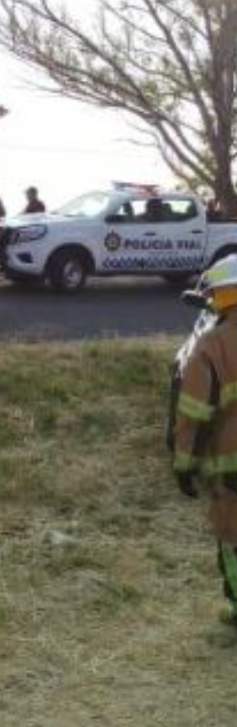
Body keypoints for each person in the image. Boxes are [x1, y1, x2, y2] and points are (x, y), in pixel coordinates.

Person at [171, 255, 237, 624]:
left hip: (232, 469)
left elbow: (194, 414)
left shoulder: (211, 345)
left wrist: (184, 466)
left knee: (232, 540)